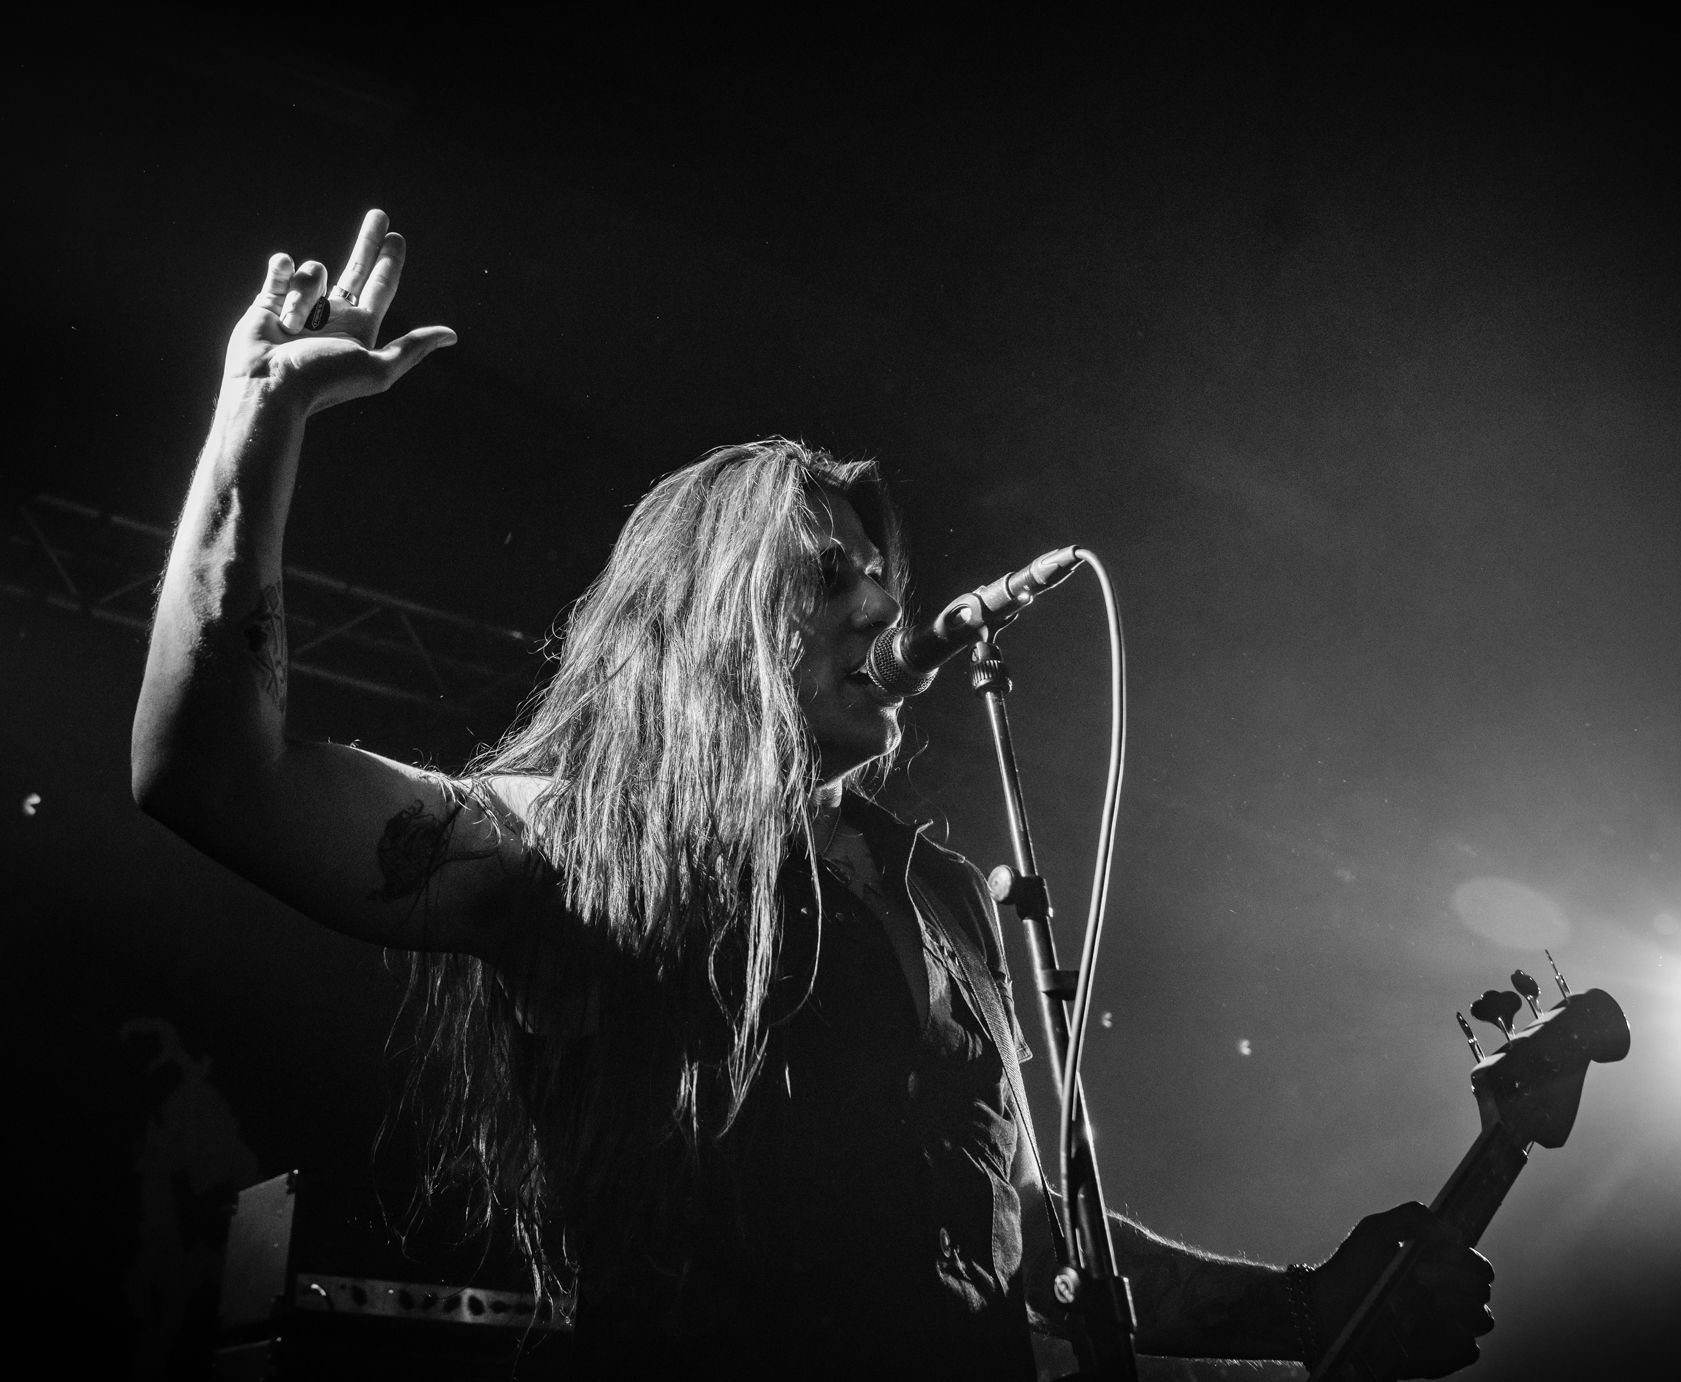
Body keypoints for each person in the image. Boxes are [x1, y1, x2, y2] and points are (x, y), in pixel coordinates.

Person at [132, 209, 1494, 1379]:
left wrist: (1314, 1304)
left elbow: (1049, 1249)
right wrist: (256, 427)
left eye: (882, 581)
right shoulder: (568, 839)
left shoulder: (954, 899)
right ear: (709, 613)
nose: (877, 607)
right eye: (828, 574)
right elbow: (214, 781)